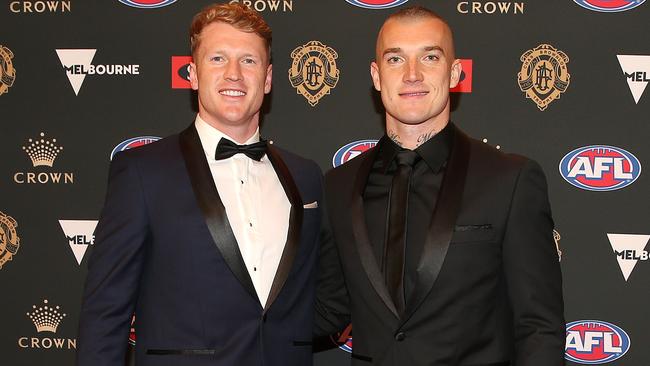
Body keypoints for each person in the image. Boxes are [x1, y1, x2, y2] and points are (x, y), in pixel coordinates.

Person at [315, 6, 565, 366]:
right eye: (396, 59)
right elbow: (330, 309)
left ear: (455, 72)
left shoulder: (510, 180)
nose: (412, 74)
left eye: (430, 57)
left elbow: (539, 327)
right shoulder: (337, 186)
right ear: (376, 75)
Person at [77, 4, 323, 366]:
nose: (234, 74)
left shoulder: (305, 176)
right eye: (218, 59)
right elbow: (105, 313)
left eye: (249, 61)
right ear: (192, 74)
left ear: (268, 79)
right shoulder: (142, 173)